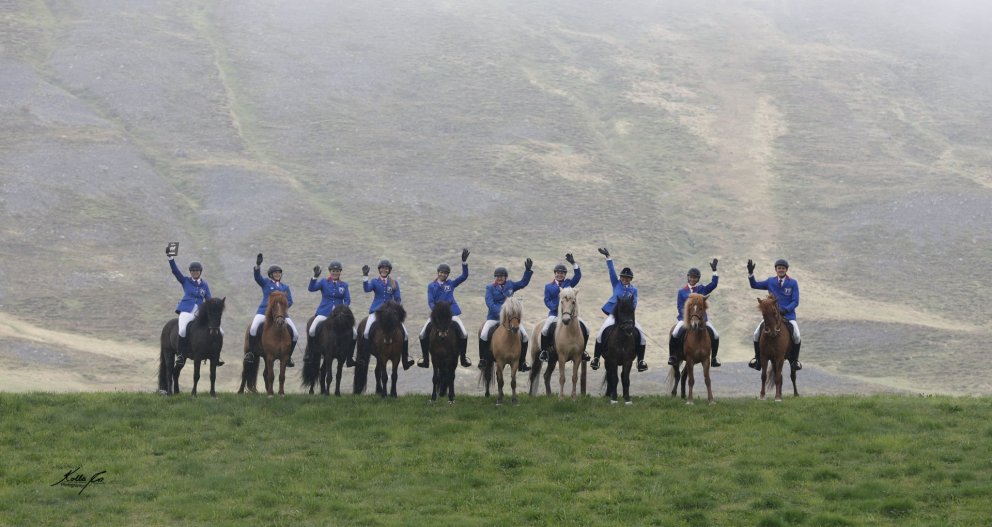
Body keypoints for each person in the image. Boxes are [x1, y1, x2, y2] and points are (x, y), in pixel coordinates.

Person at [589, 247, 648, 372]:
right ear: (620, 278)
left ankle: (641, 361)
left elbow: (635, 302)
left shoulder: (634, 290)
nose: (625, 279)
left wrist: (630, 311)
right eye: (623, 277)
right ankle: (596, 358)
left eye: (627, 278)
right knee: (601, 333)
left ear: (630, 279)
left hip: (627, 317)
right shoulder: (616, 284)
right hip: (614, 315)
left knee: (642, 335)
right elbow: (611, 272)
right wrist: (608, 257)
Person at [167, 245, 222, 368]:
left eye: (197, 271)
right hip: (186, 310)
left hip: (200, 312)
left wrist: (214, 307)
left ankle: (216, 356)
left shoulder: (205, 284)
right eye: (193, 271)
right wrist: (170, 258)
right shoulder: (185, 281)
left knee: (219, 331)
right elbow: (175, 272)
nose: (195, 272)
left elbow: (208, 299)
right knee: (182, 330)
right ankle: (181, 355)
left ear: (200, 272)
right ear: (190, 272)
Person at [418, 249, 473, 369]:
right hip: (437, 315)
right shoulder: (431, 286)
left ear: (448, 275)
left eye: (445, 273)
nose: (443, 274)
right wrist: (436, 312)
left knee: (464, 333)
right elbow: (431, 301)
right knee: (422, 334)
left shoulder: (451, 284)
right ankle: (425, 359)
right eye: (441, 272)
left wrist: (464, 262)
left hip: (452, 313)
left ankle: (463, 357)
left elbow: (464, 276)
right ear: (438, 273)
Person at [479, 258, 534, 372]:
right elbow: (489, 303)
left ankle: (522, 362)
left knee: (524, 336)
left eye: (501, 276)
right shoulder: (490, 287)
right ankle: (483, 359)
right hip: (494, 318)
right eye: (497, 276)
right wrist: (502, 313)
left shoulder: (511, 285)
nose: (499, 278)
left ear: (505, 277)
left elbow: (523, 283)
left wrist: (527, 271)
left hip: (510, 319)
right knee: (484, 334)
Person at [245, 253, 299, 366]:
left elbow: (290, 301)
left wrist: (281, 309)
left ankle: (288, 357)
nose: (277, 274)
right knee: (253, 328)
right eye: (275, 273)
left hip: (281, 314)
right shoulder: (266, 283)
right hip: (264, 312)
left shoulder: (285, 287)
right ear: (271, 274)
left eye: (279, 273)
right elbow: (257, 277)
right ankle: (251, 353)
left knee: (295, 334)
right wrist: (257, 266)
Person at [747, 258, 802, 370]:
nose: (781, 270)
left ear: (786, 269)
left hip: (788, 315)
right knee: (756, 333)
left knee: (797, 336)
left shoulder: (793, 283)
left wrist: (785, 310)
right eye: (779, 268)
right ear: (776, 270)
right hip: (771, 317)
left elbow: (795, 301)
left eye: (783, 268)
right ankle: (757, 359)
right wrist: (750, 273)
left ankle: (794, 361)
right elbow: (754, 285)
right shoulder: (770, 281)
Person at [362, 259, 414, 370]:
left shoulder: (394, 283)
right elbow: (366, 289)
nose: (384, 270)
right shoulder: (375, 282)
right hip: (377, 311)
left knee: (405, 334)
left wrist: (396, 307)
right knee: (366, 332)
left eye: (386, 268)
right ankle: (363, 357)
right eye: (382, 268)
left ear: (389, 270)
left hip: (391, 313)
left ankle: (405, 360)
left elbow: (398, 298)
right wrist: (365, 276)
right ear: (379, 270)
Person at [537, 253, 590, 363]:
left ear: (565, 275)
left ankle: (583, 351)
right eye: (558, 273)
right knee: (545, 329)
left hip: (569, 314)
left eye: (562, 273)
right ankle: (544, 351)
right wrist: (556, 308)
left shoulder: (569, 283)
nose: (560, 275)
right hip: (554, 314)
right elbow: (547, 300)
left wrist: (573, 263)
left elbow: (578, 276)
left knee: (587, 328)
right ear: (555, 274)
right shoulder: (548, 286)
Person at [668, 259, 721, 367]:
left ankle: (714, 358)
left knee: (715, 335)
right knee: (674, 333)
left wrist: (714, 271)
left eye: (695, 277)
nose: (693, 279)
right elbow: (679, 306)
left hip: (702, 320)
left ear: (698, 279)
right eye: (691, 277)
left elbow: (714, 284)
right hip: (685, 319)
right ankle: (672, 356)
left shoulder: (702, 289)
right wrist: (688, 317)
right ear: (688, 277)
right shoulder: (682, 292)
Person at [304, 260, 353, 365]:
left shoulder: (344, 285)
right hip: (324, 312)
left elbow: (347, 300)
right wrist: (315, 277)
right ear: (330, 271)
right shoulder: (323, 282)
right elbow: (311, 289)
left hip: (338, 315)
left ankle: (349, 357)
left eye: (337, 271)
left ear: (340, 272)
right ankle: (310, 353)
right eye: (333, 271)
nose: (335, 273)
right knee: (312, 330)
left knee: (354, 333)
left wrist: (343, 309)